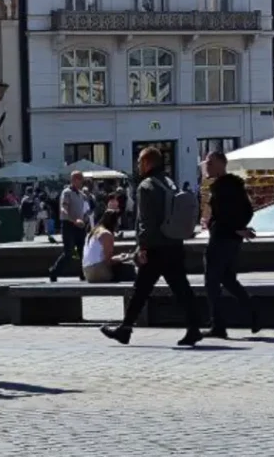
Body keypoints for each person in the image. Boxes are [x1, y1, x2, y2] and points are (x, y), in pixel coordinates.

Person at [101, 146, 203, 347]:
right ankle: (193, 328)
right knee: (181, 288)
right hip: (173, 243)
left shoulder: (146, 186)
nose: (138, 165)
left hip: (155, 247)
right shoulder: (169, 183)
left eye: (140, 161)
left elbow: (145, 221)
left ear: (148, 163)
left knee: (141, 289)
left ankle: (126, 329)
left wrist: (142, 247)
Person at [202, 151, 259, 338]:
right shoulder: (235, 185)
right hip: (232, 239)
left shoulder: (223, 187)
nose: (206, 166)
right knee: (227, 279)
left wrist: (233, 227)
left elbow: (225, 214)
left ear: (221, 164)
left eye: (210, 163)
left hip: (221, 239)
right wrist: (239, 228)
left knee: (212, 282)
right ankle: (253, 313)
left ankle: (218, 326)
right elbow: (247, 211)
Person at [49, 171, 87, 282]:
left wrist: (84, 218)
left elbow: (84, 210)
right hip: (69, 225)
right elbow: (63, 209)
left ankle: (83, 274)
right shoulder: (67, 192)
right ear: (74, 180)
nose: (82, 182)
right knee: (69, 252)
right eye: (80, 179)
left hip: (80, 226)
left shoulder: (81, 194)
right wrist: (74, 220)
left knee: (82, 252)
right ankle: (54, 271)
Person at [82, 209, 136, 282]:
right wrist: (121, 258)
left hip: (87, 273)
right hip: (99, 272)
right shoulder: (106, 234)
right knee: (127, 268)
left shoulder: (92, 233)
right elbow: (108, 261)